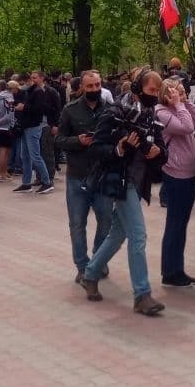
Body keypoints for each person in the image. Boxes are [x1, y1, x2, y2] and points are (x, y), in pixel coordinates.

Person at [77, 70, 169, 316]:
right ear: (138, 88)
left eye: (157, 92)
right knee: (138, 236)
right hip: (120, 181)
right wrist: (119, 148)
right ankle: (142, 294)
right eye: (151, 91)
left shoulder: (150, 114)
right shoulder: (115, 112)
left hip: (138, 183)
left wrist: (157, 152)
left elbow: (162, 148)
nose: (155, 96)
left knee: (117, 234)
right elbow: (97, 149)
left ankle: (91, 273)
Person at [55, 71, 114, 279]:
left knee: (106, 220)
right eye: (90, 86)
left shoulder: (110, 109)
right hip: (77, 175)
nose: (95, 89)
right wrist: (77, 141)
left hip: (103, 175)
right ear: (82, 87)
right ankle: (82, 267)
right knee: (77, 224)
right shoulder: (70, 110)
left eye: (98, 85)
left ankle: (98, 260)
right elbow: (59, 139)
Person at [156, 76, 195, 287]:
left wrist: (186, 102)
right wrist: (178, 105)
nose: (181, 95)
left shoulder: (180, 107)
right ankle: (170, 272)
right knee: (175, 224)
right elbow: (186, 128)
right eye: (176, 92)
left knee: (181, 224)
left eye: (183, 91)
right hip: (175, 173)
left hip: (189, 172)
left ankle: (177, 268)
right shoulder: (161, 112)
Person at [13, 70, 57, 195]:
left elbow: (39, 109)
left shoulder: (38, 92)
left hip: (33, 126)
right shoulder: (30, 91)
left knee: (35, 156)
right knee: (25, 156)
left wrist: (23, 107)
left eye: (34, 77)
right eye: (31, 78)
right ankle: (26, 183)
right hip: (27, 126)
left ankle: (47, 182)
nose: (32, 80)